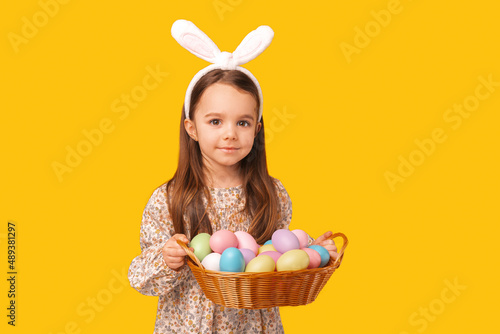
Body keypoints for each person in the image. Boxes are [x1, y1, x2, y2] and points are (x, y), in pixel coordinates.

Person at [128, 19, 338, 333]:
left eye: (242, 122)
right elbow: (139, 278)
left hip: (253, 326)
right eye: (215, 121)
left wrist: (309, 251)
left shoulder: (271, 193)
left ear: (257, 128)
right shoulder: (170, 198)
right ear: (191, 128)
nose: (230, 134)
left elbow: (274, 260)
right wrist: (165, 257)